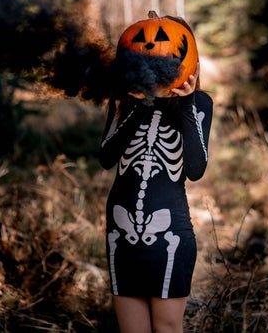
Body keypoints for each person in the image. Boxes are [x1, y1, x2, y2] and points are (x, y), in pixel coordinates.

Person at [98, 34, 213, 333]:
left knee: (166, 328)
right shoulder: (124, 100)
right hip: (120, 233)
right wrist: (140, 104)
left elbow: (196, 168)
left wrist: (186, 102)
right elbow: (107, 157)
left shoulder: (199, 103)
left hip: (169, 235)